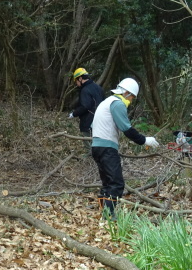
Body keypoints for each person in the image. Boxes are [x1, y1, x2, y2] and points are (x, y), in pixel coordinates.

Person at [90, 77, 159, 214]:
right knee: (116, 183)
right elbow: (126, 129)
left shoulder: (106, 102)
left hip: (96, 146)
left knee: (107, 182)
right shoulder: (117, 104)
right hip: (107, 148)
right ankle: (109, 216)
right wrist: (144, 140)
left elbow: (93, 126)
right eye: (132, 97)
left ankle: (104, 211)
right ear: (126, 93)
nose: (131, 100)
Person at [68, 67, 104, 136]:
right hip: (101, 123)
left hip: (89, 123)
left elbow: (85, 106)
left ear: (80, 78)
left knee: (89, 145)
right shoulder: (99, 88)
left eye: (76, 81)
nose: (76, 83)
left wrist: (73, 114)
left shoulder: (85, 90)